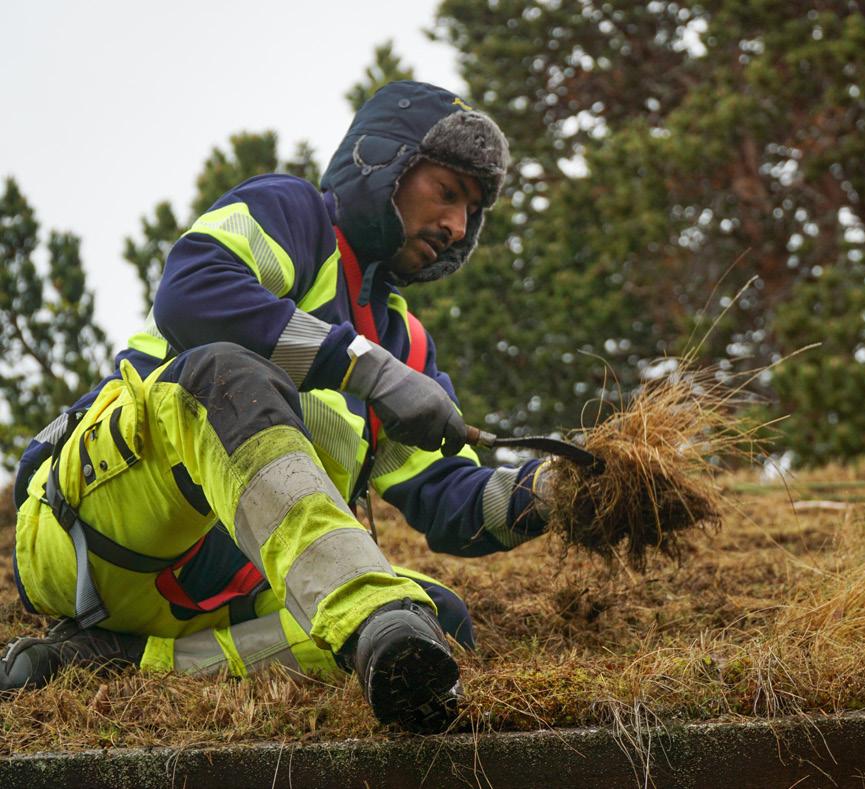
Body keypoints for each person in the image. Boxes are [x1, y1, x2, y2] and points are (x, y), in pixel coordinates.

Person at [2, 81, 552, 734]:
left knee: (439, 620)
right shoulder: (294, 214)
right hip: (92, 528)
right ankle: (365, 616)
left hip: (219, 583)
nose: (458, 226)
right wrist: (364, 367)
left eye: (473, 209)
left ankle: (123, 661)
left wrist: (545, 491)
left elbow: (441, 490)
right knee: (229, 374)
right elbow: (192, 292)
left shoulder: (406, 341)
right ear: (385, 162)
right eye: (448, 192)